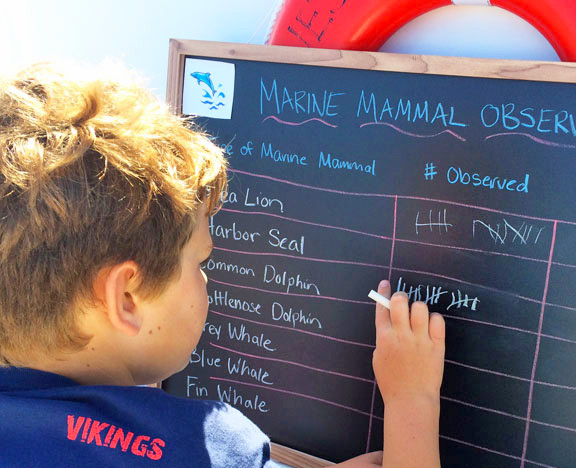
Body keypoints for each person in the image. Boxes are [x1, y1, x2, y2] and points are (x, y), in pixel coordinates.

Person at [0, 62, 446, 467]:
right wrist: (413, 399)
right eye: (200, 261)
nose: (207, 277)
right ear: (127, 299)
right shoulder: (204, 449)